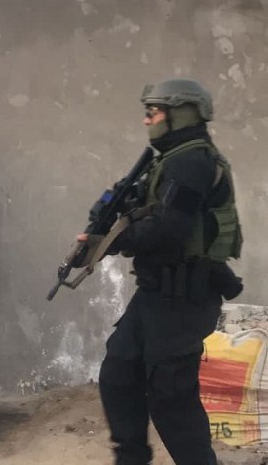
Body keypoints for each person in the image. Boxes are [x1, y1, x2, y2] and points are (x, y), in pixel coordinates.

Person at [82, 79, 243, 465]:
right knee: (119, 374)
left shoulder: (192, 162)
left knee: (171, 398)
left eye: (153, 112)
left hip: (185, 296)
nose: (146, 120)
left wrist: (112, 241)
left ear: (180, 113)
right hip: (156, 293)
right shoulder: (168, 160)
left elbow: (170, 227)